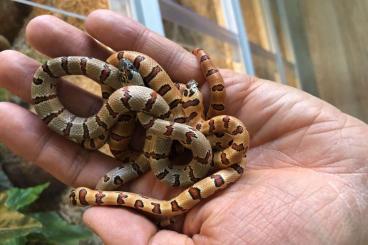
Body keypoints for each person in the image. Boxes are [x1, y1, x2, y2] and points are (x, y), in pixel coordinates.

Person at [0, 9, 367, 245]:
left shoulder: (197, 142)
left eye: (85, 194)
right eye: (86, 194)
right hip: (163, 135)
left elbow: (174, 132)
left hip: (171, 144)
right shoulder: (172, 131)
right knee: (117, 77)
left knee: (125, 91)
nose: (86, 192)